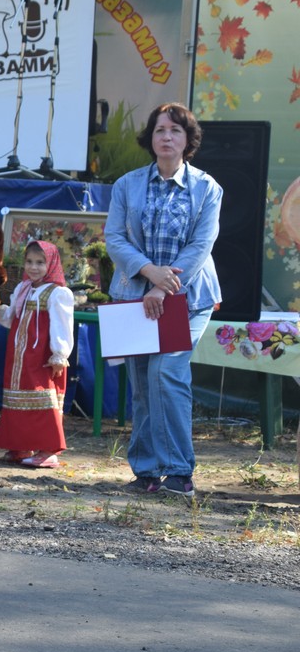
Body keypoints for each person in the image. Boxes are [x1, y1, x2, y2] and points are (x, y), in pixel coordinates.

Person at [105, 102, 222, 498]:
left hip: (187, 299)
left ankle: (179, 473)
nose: (166, 136)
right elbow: (114, 239)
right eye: (159, 130)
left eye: (175, 130)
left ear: (188, 140)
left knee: (166, 374)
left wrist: (164, 283)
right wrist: (147, 272)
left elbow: (202, 244)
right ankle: (147, 471)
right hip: (136, 296)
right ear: (150, 138)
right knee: (141, 382)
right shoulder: (127, 185)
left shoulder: (207, 188)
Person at [0, 240, 74, 469]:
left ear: (52, 263)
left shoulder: (58, 293)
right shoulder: (23, 289)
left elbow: (62, 325)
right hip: (20, 355)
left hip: (42, 357)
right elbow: (11, 319)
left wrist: (59, 354)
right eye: (29, 262)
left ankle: (48, 450)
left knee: (42, 398)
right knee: (19, 396)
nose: (33, 267)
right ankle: (21, 444)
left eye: (40, 262)